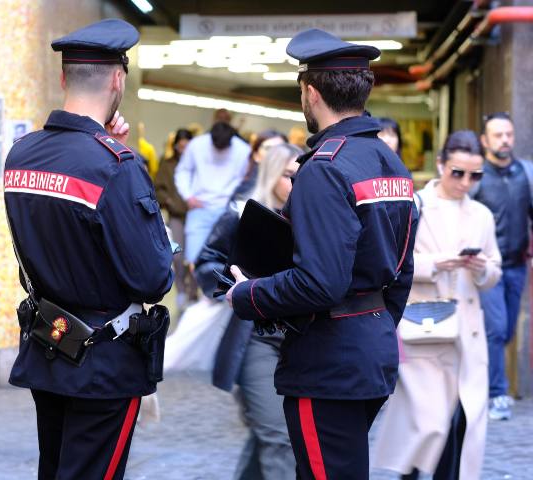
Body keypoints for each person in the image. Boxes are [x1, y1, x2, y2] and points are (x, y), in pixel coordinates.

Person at [225, 29, 417, 479]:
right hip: (372, 349)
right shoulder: (390, 163)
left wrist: (246, 294)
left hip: (329, 359)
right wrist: (378, 325)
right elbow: (403, 268)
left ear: (310, 93)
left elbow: (320, 282)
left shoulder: (324, 168)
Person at [3, 19, 173, 480]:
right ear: (118, 79)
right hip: (104, 361)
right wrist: (117, 153)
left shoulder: (21, 155)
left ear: (64, 78)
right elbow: (153, 277)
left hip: (49, 341)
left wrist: (108, 147)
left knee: (54, 468)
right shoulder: (117, 167)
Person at [373, 130, 501, 479]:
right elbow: (392, 264)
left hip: (466, 336)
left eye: (475, 175)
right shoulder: (415, 206)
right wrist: (435, 264)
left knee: (461, 420)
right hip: (422, 330)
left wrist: (482, 268)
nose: (465, 182)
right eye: (457, 172)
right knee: (427, 423)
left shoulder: (482, 215)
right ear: (441, 165)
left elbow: (494, 271)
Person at [197, 143, 303, 480]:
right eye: (289, 176)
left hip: (299, 339)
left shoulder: (311, 218)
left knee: (269, 437)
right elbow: (207, 262)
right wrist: (237, 286)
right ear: (273, 173)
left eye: (302, 177)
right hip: (255, 337)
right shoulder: (243, 213)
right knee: (278, 435)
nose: (295, 184)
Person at [470, 112, 533, 420]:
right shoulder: (477, 177)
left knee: (505, 330)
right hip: (487, 268)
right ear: (485, 140)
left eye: (508, 134)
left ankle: (483, 380)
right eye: (497, 135)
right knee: (495, 330)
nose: (505, 140)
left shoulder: (526, 174)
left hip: (517, 266)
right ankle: (497, 394)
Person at [174, 121, 250, 266]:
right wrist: (188, 196)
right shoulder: (196, 145)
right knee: (193, 259)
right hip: (199, 208)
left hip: (228, 211)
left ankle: (214, 289)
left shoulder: (243, 150)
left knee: (223, 261)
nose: (220, 151)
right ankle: (194, 288)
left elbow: (244, 180)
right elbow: (183, 171)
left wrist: (235, 201)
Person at [155, 128, 197, 310]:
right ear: (176, 146)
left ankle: (192, 292)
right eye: (181, 146)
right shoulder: (168, 163)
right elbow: (158, 188)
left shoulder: (199, 165)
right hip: (176, 216)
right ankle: (181, 290)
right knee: (178, 257)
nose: (184, 149)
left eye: (187, 146)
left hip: (196, 216)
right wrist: (169, 201)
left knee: (194, 257)